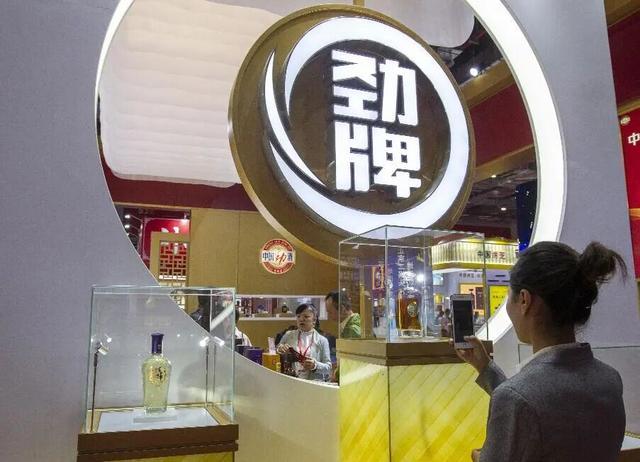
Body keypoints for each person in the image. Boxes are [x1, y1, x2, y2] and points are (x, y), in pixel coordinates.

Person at [454, 241, 626, 462]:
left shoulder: (516, 398)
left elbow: (528, 401)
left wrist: (479, 457)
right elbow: (540, 405)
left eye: (509, 295)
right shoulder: (610, 380)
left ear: (524, 300)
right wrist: (485, 368)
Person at [276, 304, 332, 381]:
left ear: (314, 320)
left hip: (312, 383)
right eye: (298, 316)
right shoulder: (288, 335)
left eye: (306, 316)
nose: (301, 319)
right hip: (290, 380)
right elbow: (276, 351)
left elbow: (328, 368)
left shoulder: (322, 340)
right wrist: (279, 349)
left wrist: (315, 365)